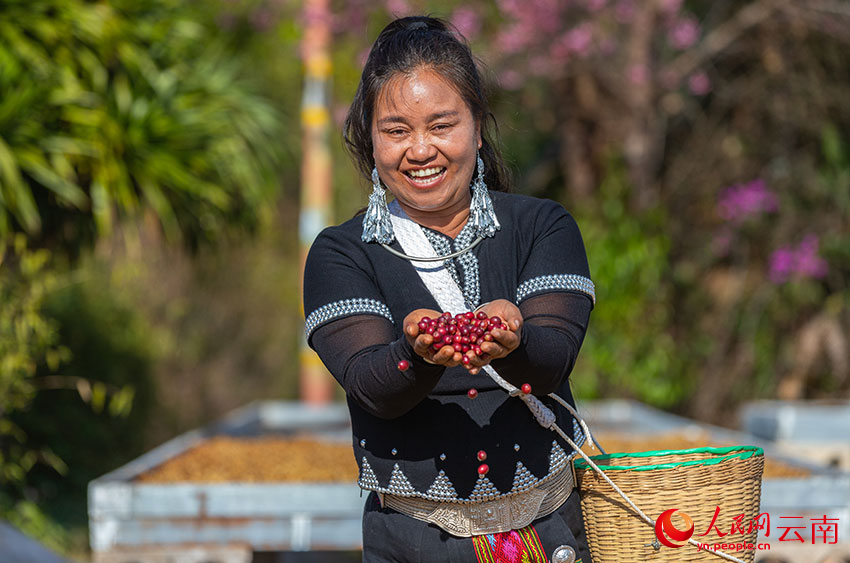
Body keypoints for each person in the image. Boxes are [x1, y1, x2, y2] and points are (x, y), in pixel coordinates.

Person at [303, 16, 596, 563]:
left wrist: (517, 342)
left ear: (477, 128)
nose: (420, 150)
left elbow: (552, 358)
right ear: (371, 137)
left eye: (441, 125)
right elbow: (372, 384)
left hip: (549, 531)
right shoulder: (340, 252)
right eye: (396, 131)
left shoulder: (542, 227)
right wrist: (413, 355)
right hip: (414, 543)